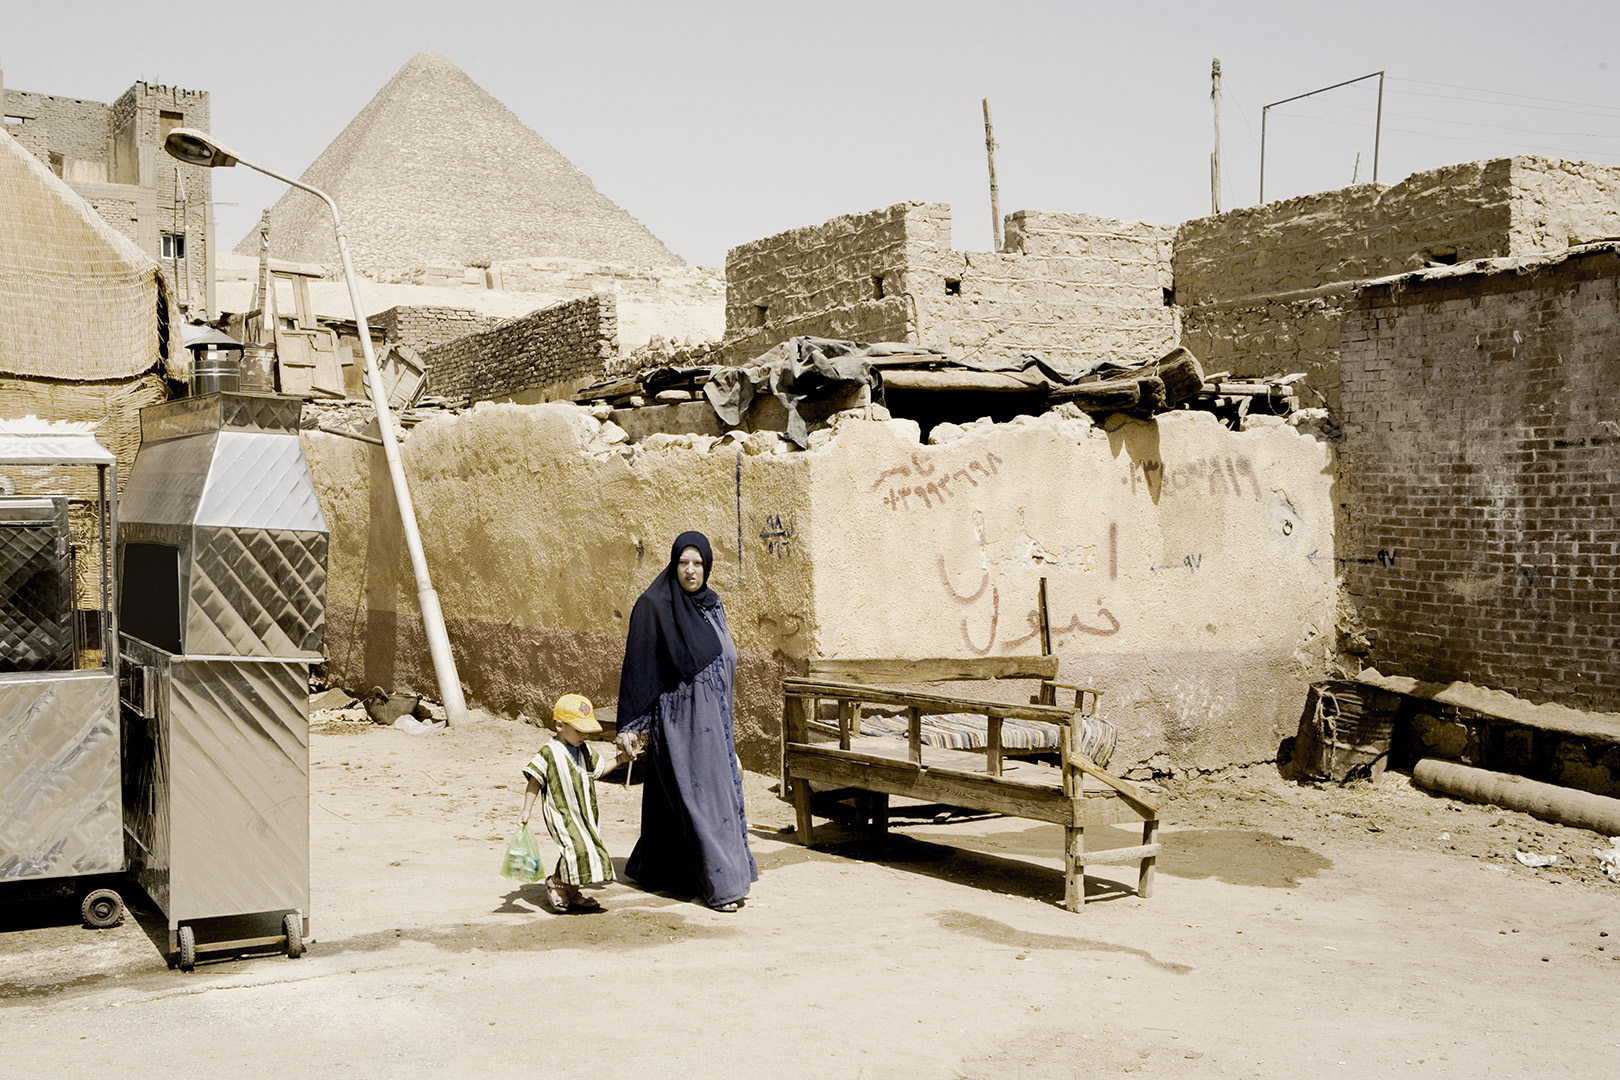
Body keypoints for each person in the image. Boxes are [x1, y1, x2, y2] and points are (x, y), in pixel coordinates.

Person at [615, 531, 757, 912]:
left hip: (715, 715)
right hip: (682, 720)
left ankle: (661, 869)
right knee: (705, 798)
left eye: (697, 563)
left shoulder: (711, 605)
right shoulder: (654, 606)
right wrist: (630, 725)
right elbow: (639, 665)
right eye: (683, 563)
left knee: (678, 797)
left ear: (707, 566)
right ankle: (724, 887)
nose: (690, 570)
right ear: (674, 565)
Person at [519, 693, 626, 913]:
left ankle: (571, 891)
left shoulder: (584, 750)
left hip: (585, 812)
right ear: (559, 725)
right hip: (561, 813)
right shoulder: (549, 753)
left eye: (586, 731)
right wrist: (526, 810)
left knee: (585, 849)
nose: (583, 736)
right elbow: (535, 781)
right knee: (573, 849)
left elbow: (598, 770)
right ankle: (557, 885)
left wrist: (620, 759)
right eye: (578, 730)